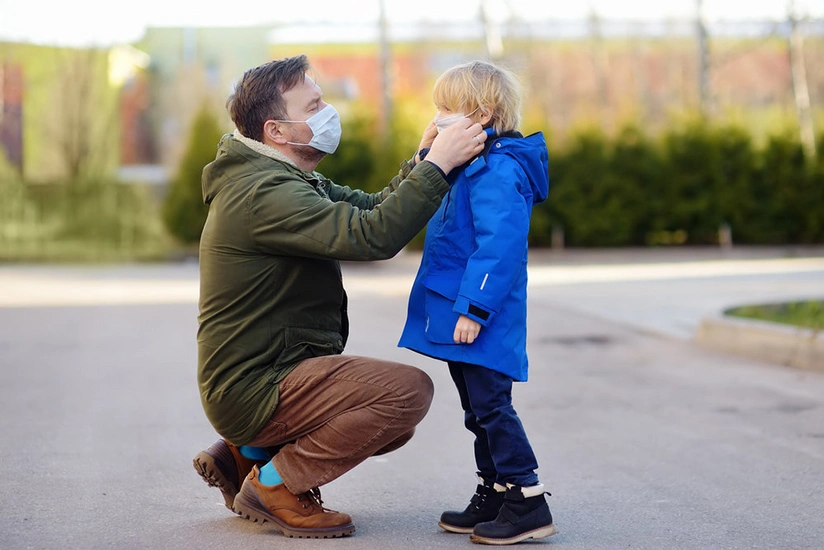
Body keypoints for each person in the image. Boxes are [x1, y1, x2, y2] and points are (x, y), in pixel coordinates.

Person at [192, 54, 487, 539]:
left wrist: (421, 160)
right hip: (256, 387)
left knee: (392, 424)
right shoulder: (264, 193)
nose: (329, 113)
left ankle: (246, 455)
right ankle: (274, 485)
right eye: (314, 106)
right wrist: (439, 165)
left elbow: (370, 209)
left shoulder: (282, 177)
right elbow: (372, 236)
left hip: (263, 377)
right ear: (276, 131)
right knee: (406, 393)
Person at [397, 60, 555, 545]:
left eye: (447, 108)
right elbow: (423, 201)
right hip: (461, 310)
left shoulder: (499, 170)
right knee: (476, 409)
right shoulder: (468, 164)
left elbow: (498, 247)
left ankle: (526, 499)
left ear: (482, 115)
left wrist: (474, 308)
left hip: (482, 315)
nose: (438, 116)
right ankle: (494, 491)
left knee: (491, 406)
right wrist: (426, 155)